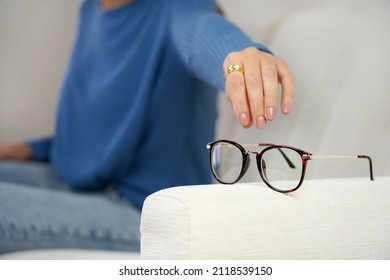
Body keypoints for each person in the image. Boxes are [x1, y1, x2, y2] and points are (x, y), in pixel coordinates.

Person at [0, 0, 294, 253]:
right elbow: (100, 129)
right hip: (83, 181)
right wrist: (31, 150)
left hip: (145, 210)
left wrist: (243, 56)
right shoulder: (91, 10)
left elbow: (203, 32)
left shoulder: (177, 7)